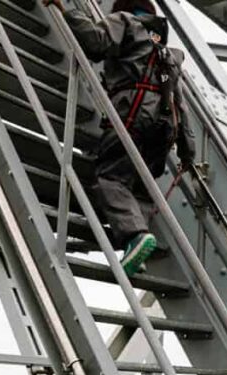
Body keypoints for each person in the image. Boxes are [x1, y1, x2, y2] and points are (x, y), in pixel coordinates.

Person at [43, 0, 196, 275]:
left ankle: (135, 236)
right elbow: (180, 104)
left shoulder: (125, 21)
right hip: (165, 125)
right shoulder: (168, 54)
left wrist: (68, 11)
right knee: (140, 186)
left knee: (111, 177)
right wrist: (188, 153)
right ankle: (137, 248)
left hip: (134, 111)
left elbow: (96, 43)